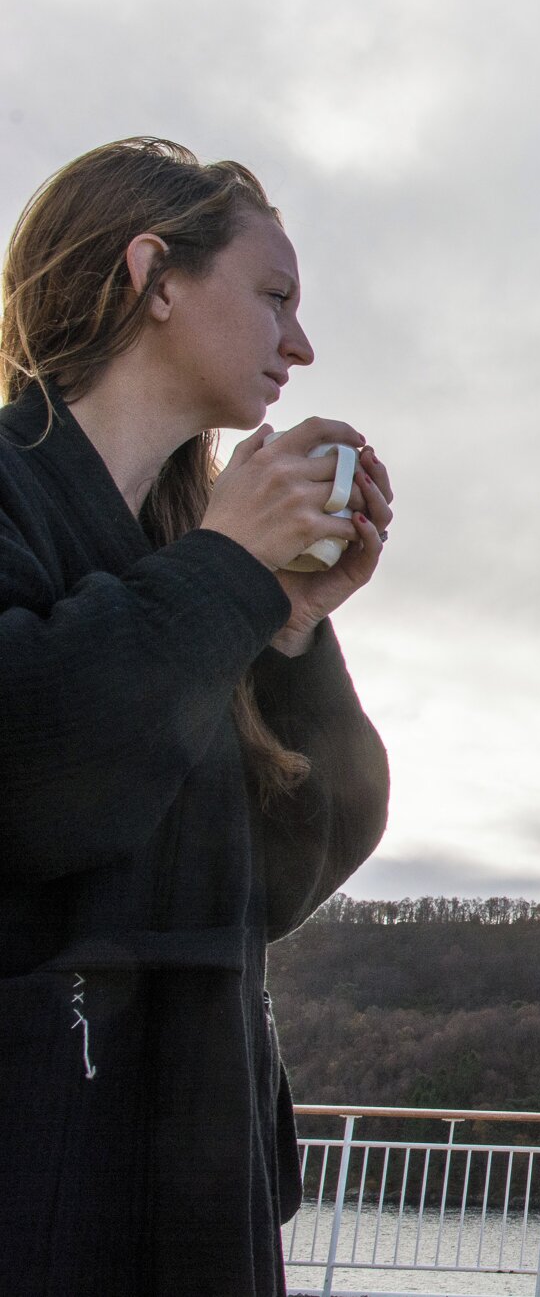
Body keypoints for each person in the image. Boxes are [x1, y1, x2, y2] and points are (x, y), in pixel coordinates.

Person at [0, 138, 392, 1295]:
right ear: (153, 275)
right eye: (274, 296)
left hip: (192, 1171)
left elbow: (282, 875)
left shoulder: (187, 562)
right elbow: (32, 778)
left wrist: (288, 629)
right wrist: (227, 567)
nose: (302, 344)